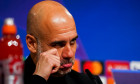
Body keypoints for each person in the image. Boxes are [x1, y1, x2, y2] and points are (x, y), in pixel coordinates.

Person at [24, 1, 102, 84]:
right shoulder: (11, 79)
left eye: (72, 42)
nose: (69, 54)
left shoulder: (89, 82)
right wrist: (39, 78)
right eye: (58, 44)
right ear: (32, 44)